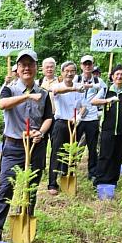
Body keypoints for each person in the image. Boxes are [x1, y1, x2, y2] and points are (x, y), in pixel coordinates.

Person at [0, 49, 53, 242]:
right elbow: (3, 104)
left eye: (30, 65)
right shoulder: (9, 89)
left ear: (36, 68)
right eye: (23, 65)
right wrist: (27, 97)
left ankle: (25, 221)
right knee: (6, 187)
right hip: (14, 147)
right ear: (17, 69)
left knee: (31, 187)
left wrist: (40, 132)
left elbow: (48, 118)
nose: (27, 68)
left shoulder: (44, 93)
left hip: (35, 147)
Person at [47, 61, 83, 195]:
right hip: (61, 123)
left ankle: (66, 177)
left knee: (71, 153)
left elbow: (83, 105)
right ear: (62, 73)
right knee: (57, 152)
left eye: (72, 71)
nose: (69, 73)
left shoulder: (79, 88)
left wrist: (78, 116)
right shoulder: (57, 86)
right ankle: (52, 183)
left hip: (74, 124)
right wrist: (74, 89)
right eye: (67, 71)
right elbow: (56, 92)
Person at [74, 56, 107, 182]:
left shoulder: (99, 81)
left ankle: (92, 171)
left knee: (92, 147)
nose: (87, 66)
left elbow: (98, 98)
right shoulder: (76, 79)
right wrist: (79, 111)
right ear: (81, 66)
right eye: (85, 64)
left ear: (93, 65)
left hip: (92, 118)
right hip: (77, 118)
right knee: (73, 144)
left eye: (89, 64)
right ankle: (70, 168)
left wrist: (89, 106)